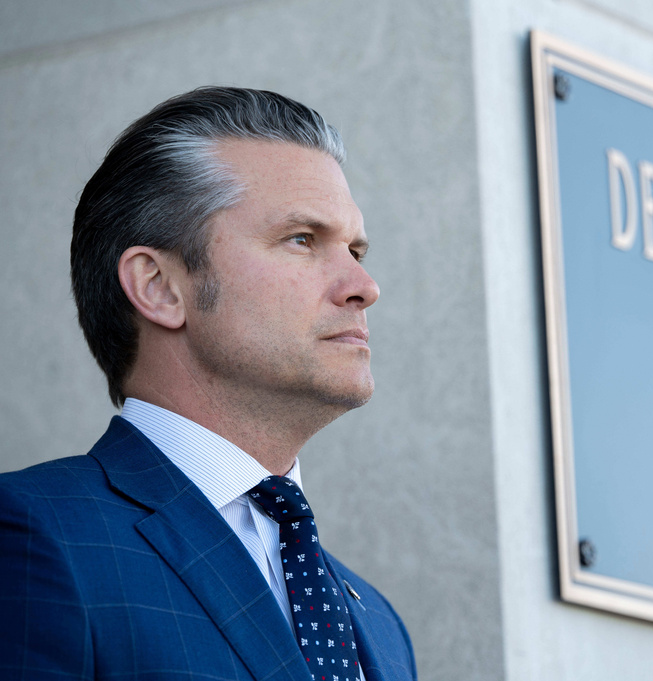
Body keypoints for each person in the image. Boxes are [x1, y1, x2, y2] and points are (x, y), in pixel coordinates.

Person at [0, 87, 416, 681]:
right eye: (302, 239)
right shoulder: (36, 536)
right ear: (160, 287)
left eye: (355, 248)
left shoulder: (377, 621)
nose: (363, 285)